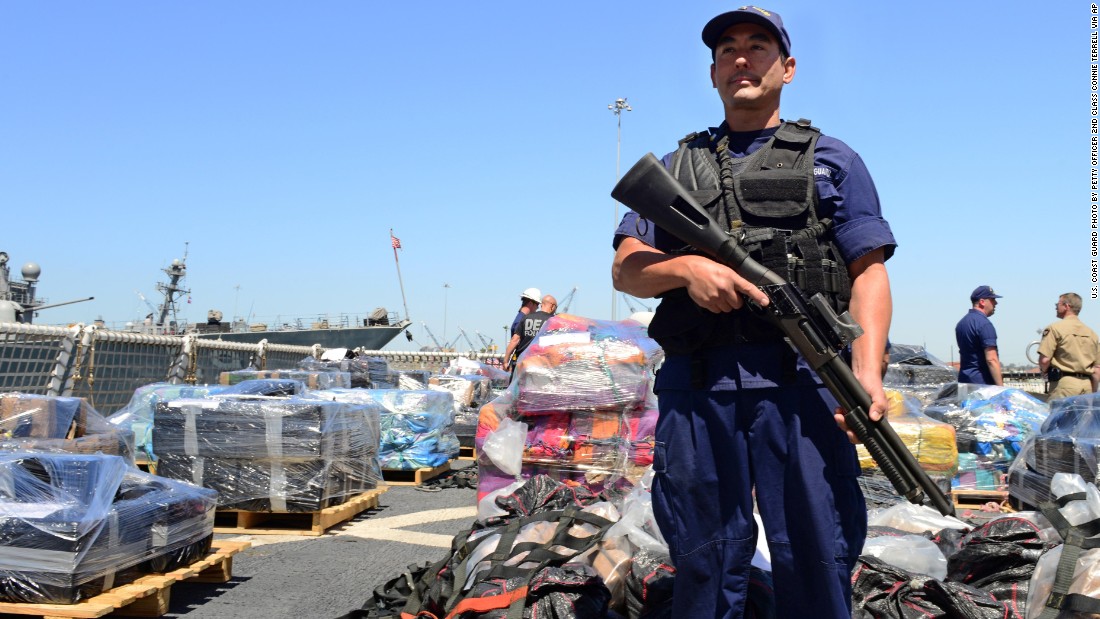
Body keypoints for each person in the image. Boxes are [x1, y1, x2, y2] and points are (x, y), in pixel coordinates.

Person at [610, 7, 894, 618]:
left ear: (787, 68)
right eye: (728, 49)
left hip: (805, 380)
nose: (742, 58)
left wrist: (866, 375)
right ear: (712, 72)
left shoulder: (832, 161)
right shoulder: (677, 168)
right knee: (705, 555)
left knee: (818, 552)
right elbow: (626, 269)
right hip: (700, 383)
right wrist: (685, 270)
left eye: (758, 46)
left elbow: (868, 273)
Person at [1038, 292, 1100, 400]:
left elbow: (1044, 360)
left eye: (1057, 304)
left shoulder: (1054, 328)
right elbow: (1097, 369)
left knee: (1060, 416)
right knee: (1082, 417)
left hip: (1064, 385)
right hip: (1087, 386)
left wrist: (1044, 372)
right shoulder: (1092, 333)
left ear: (1066, 306)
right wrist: (1092, 392)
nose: (1056, 307)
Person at [955, 285, 1003, 386]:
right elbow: (991, 359)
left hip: (964, 382)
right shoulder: (985, 325)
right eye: (992, 300)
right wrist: (1001, 388)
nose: (996, 303)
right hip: (982, 384)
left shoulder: (961, 324)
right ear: (982, 302)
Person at [506, 295, 558, 374]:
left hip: (523, 364)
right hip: (542, 366)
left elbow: (514, 340)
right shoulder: (554, 321)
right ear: (552, 306)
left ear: (541, 305)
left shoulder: (526, 318)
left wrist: (505, 360)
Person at [503, 287, 540, 372]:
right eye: (537, 305)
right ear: (531, 303)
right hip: (522, 363)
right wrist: (506, 361)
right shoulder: (522, 320)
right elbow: (514, 341)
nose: (537, 308)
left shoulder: (520, 318)